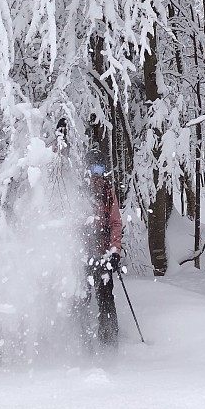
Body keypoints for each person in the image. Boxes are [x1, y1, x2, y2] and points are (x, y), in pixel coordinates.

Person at [81, 147, 122, 348]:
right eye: (93, 169)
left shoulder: (108, 192)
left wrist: (115, 251)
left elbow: (115, 222)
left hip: (104, 254)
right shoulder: (79, 192)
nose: (97, 174)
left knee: (106, 296)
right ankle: (80, 340)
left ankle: (109, 340)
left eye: (100, 169)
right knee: (81, 297)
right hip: (83, 255)